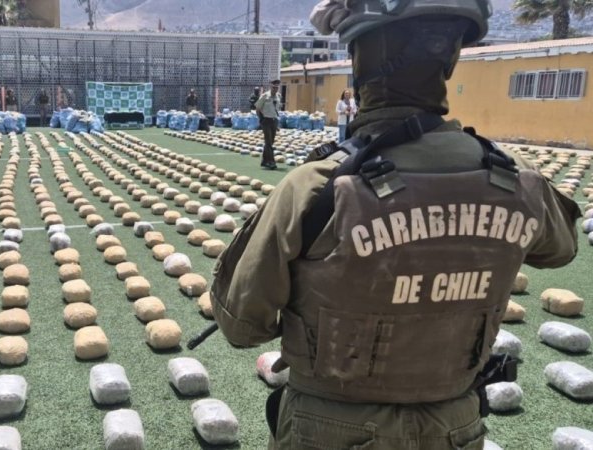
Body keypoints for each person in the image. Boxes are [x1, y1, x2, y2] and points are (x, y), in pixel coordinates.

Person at [210, 1, 581, 449]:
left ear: (360, 61)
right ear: (451, 59)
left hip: (330, 428)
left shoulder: (317, 187)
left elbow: (242, 325)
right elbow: (561, 250)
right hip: (455, 425)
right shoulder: (516, 176)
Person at [255, 79, 282, 170]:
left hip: (274, 121)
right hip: (266, 120)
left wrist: (277, 123)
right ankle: (271, 162)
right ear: (271, 86)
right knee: (268, 142)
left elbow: (277, 110)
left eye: (277, 87)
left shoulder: (278, 96)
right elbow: (258, 108)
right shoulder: (265, 96)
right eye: (274, 87)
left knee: (270, 142)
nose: (275, 89)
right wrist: (261, 119)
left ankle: (264, 161)